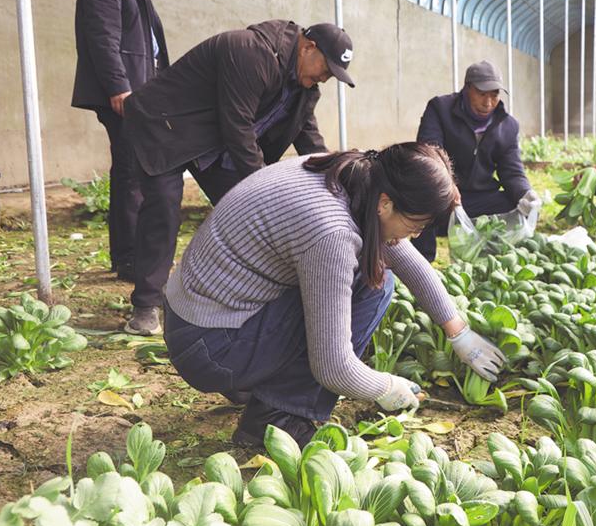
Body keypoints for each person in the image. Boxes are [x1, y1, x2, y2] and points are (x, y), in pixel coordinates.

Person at [162, 143, 505, 447]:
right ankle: (276, 417)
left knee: (375, 270)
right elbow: (333, 367)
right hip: (209, 345)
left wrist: (457, 331)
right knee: (373, 283)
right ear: (386, 204)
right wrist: (385, 387)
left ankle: (259, 382)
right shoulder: (331, 235)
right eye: (414, 226)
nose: (413, 236)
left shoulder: (354, 174)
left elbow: (401, 254)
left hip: (198, 316)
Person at [121, 20, 355, 336]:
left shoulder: (304, 87)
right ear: (308, 48)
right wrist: (262, 189)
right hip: (166, 125)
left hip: (212, 141)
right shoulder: (251, 52)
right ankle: (146, 305)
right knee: (163, 206)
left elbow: (309, 141)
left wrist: (339, 183)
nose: (325, 78)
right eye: (326, 69)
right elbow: (239, 128)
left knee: (250, 216)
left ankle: (232, 295)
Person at [71, 0, 169, 282]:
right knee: (131, 171)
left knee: (136, 169)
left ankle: (130, 255)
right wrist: (119, 87)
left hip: (140, 90)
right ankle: (129, 259)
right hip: (125, 92)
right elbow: (102, 36)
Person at [413, 60, 540, 261]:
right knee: (420, 195)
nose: (488, 103)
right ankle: (421, 262)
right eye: (482, 94)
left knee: (517, 205)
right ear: (467, 88)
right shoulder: (440, 109)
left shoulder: (507, 126)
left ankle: (493, 256)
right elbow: (430, 152)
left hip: (479, 198)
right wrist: (448, 185)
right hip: (443, 195)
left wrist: (526, 193)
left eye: (494, 95)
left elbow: (512, 172)